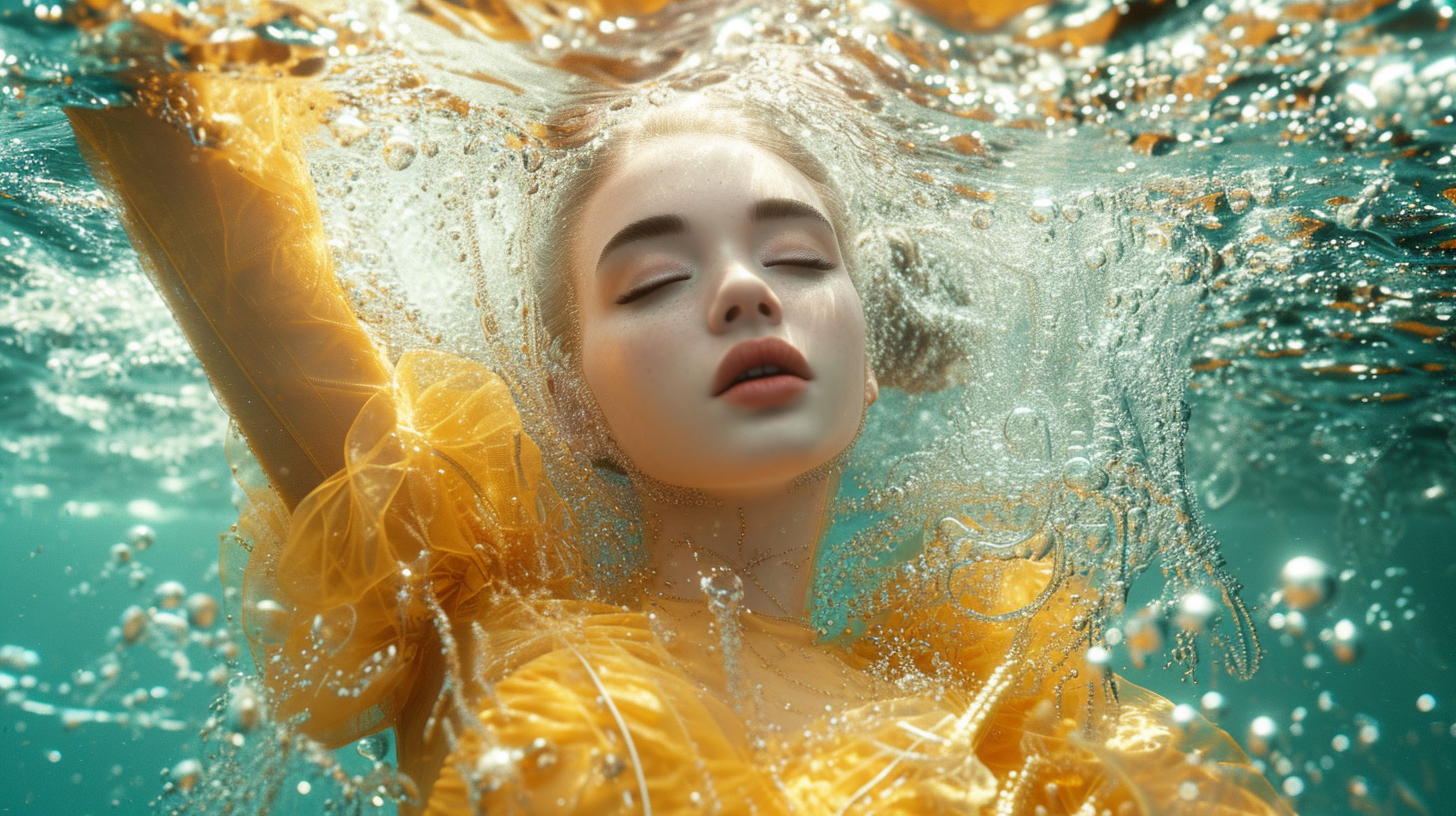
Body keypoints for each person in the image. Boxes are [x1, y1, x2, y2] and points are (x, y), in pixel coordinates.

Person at [67, 74, 1292, 815]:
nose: (747, 294)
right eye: (654, 280)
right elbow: (185, 150)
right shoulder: (464, 601)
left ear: (868, 363)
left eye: (800, 259)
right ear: (570, 400)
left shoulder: (998, 707)